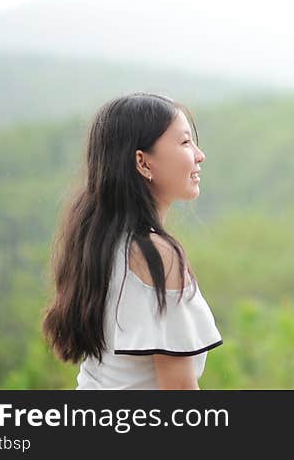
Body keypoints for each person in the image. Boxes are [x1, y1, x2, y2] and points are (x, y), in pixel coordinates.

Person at [42, 92, 222, 389]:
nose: (199, 155)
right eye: (185, 142)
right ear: (142, 162)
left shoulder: (100, 241)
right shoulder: (157, 256)